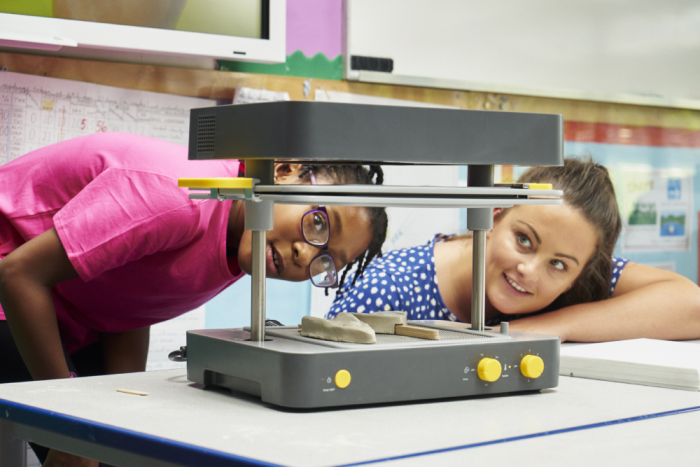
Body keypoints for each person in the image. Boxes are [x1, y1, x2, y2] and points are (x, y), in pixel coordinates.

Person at [0, 132, 387, 466]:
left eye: (329, 260)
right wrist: (74, 428)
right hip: (13, 283)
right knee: (82, 446)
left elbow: (129, 302)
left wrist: (119, 421)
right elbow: (18, 275)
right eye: (319, 222)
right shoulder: (184, 198)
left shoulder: (245, 242)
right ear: (284, 171)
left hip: (65, 311)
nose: (307, 254)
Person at [327, 158, 700, 343]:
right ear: (494, 215)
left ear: (578, 276)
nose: (530, 271)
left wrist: (547, 327)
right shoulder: (391, 289)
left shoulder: (578, 281)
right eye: (524, 240)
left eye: (558, 265)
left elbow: (690, 305)